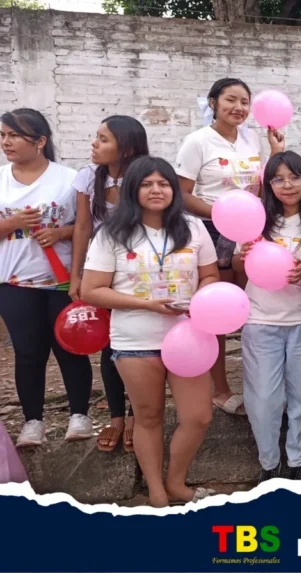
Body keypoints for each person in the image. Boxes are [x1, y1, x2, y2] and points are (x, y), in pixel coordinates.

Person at [81, 156, 219, 507]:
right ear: (133, 190)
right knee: (148, 416)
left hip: (189, 338)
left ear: (174, 189)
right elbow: (91, 290)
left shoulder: (193, 227)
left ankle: (176, 481)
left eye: (163, 184)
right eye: (147, 184)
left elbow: (210, 275)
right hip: (136, 339)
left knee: (199, 416)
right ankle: (157, 492)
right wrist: (146, 304)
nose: (156, 190)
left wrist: (200, 299)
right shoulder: (112, 233)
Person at [176, 77, 281, 417]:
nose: (238, 107)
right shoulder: (197, 142)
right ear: (213, 103)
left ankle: (259, 383)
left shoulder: (252, 139)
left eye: (244, 102)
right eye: (230, 100)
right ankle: (219, 389)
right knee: (218, 312)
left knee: (250, 307)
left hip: (250, 231)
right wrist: (222, 214)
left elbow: (261, 185)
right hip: (212, 231)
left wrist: (276, 152)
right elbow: (181, 194)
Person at [0, 108, 94, 448]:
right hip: (14, 283)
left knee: (71, 348)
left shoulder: (69, 179)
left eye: (14, 135)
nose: (6, 142)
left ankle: (80, 415)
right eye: (3, 135)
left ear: (40, 141)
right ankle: (32, 422)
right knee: (27, 352)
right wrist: (12, 223)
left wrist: (60, 233)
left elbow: (86, 226)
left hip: (62, 280)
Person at [232, 151, 301, 482]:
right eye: (278, 179)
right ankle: (269, 463)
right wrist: (243, 256)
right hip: (261, 320)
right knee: (264, 398)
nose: (287, 185)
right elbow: (239, 267)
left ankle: (299, 461)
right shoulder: (255, 221)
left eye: (294, 177)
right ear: (268, 184)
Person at [69, 115, 148, 452]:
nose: (94, 143)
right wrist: (76, 275)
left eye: (103, 139)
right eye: (96, 136)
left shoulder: (144, 176)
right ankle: (116, 416)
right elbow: (83, 227)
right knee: (109, 342)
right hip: (101, 269)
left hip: (138, 270)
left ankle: (136, 415)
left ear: (126, 147)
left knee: (139, 341)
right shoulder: (89, 176)